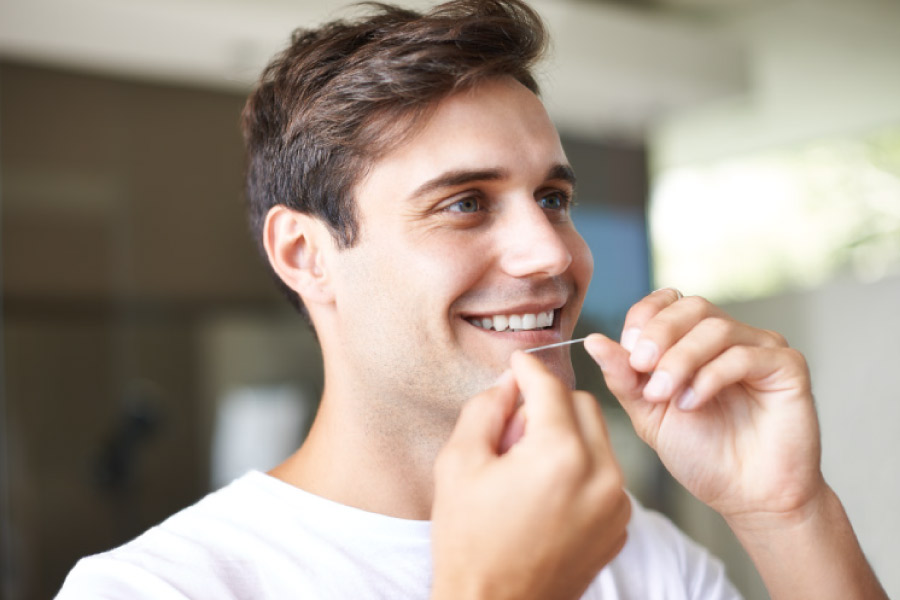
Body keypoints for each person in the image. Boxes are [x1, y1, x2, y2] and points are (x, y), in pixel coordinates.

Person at [57, 1, 887, 598]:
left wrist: (785, 513)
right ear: (306, 255)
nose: (552, 252)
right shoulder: (157, 588)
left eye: (553, 198)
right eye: (465, 203)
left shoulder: (639, 556)